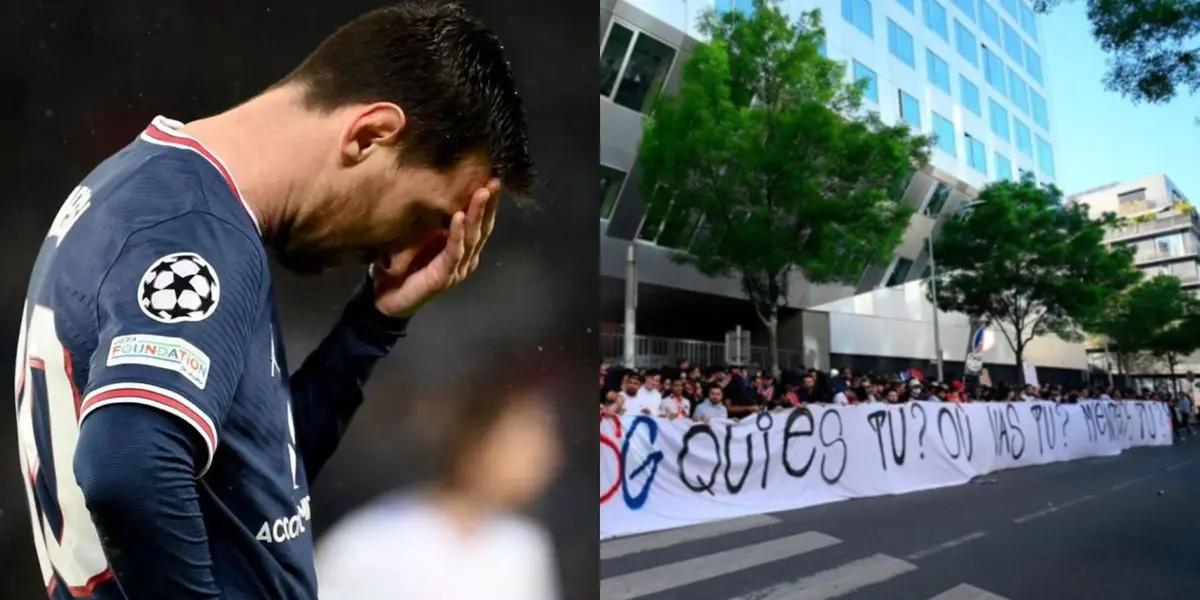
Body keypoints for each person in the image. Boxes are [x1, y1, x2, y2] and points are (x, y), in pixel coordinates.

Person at [12, 6, 535, 597]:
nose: (403, 245)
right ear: (369, 135)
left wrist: (373, 324)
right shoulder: (193, 226)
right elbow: (130, 468)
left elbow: (251, 498)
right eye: (420, 215)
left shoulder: (155, 194)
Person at [316, 387, 560, 600]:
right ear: (475, 444)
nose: (547, 460)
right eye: (524, 445)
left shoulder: (523, 547)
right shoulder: (376, 537)